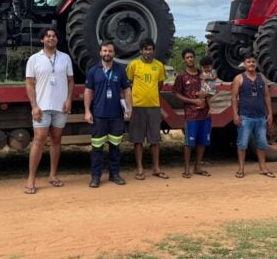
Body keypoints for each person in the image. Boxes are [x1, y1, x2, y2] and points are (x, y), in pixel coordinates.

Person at [24, 28, 74, 195]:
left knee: (57, 140)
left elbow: (70, 80)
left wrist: (68, 100)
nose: (51, 38)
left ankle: (53, 175)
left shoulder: (65, 58)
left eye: (54, 36)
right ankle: (31, 178)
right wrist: (34, 106)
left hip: (60, 107)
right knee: (39, 140)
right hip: (42, 107)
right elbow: (29, 84)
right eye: (48, 36)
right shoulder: (34, 59)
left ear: (57, 40)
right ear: (42, 40)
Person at [84, 41, 133, 188]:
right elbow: (88, 91)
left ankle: (114, 174)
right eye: (105, 51)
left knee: (115, 147)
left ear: (114, 53)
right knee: (97, 148)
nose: (107, 54)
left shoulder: (120, 70)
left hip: (116, 115)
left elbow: (127, 90)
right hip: (99, 115)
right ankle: (96, 177)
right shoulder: (93, 70)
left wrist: (129, 108)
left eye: (110, 51)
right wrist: (87, 110)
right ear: (100, 53)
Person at [126, 38, 168, 180]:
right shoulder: (134, 65)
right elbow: (129, 83)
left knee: (154, 139)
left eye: (150, 49)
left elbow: (160, 85)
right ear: (141, 51)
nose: (148, 52)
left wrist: (151, 95)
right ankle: (139, 169)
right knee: (138, 140)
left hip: (154, 106)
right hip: (138, 106)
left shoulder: (159, 66)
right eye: (145, 49)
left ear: (153, 50)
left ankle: (156, 168)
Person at [230, 53, 276, 178]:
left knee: (262, 144)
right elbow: (234, 98)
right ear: (244, 64)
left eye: (253, 62)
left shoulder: (262, 78)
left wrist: (270, 113)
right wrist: (235, 114)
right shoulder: (239, 78)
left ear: (256, 64)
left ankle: (263, 168)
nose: (251, 64)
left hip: (261, 117)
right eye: (248, 62)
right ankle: (241, 168)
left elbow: (267, 96)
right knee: (242, 144)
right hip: (245, 117)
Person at [172, 49, 212, 178]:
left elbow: (210, 89)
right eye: (187, 57)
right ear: (184, 59)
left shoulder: (203, 74)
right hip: (191, 115)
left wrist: (206, 97)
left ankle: (198, 166)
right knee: (189, 142)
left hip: (205, 114)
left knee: (202, 142)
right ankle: (186, 168)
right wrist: (192, 101)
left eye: (192, 57)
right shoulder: (181, 76)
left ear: (195, 58)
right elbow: (176, 93)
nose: (190, 59)